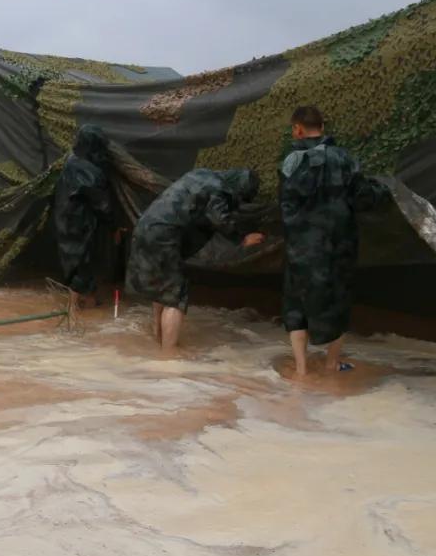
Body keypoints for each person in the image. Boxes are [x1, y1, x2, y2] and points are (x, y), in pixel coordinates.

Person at [279, 106, 391, 377]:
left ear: (298, 129)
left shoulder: (290, 162)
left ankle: (302, 369)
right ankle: (331, 364)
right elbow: (363, 197)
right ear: (323, 127)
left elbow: (285, 205)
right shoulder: (344, 159)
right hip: (338, 247)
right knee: (338, 304)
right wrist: (384, 190)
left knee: (296, 305)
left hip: (300, 247)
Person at [127, 169, 265, 349]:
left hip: (145, 226)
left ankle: (158, 336)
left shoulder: (202, 174)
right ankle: (168, 356)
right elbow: (218, 218)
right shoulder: (220, 189)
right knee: (175, 297)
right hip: (164, 235)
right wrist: (242, 238)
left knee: (162, 287)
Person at [53, 124, 114, 307]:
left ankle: (87, 301)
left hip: (65, 218)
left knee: (78, 263)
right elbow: (100, 202)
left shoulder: (72, 160)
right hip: (79, 223)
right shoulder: (88, 170)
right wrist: (113, 223)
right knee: (80, 264)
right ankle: (73, 310)